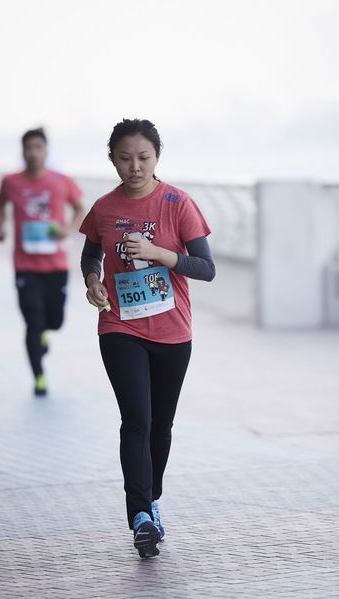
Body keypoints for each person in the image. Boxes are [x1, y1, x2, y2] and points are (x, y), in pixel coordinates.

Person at [80, 118, 215, 558]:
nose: (134, 167)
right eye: (125, 158)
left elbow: (206, 268)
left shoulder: (178, 203)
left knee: (160, 425)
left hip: (173, 331)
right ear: (112, 160)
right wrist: (92, 280)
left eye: (143, 157)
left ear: (157, 157)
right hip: (120, 326)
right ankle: (140, 515)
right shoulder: (104, 208)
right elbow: (90, 254)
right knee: (136, 419)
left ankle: (152, 497)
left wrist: (160, 254)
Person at [0, 127, 84, 396]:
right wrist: (1, 228)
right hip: (25, 266)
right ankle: (39, 377)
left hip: (56, 265)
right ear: (22, 152)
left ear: (46, 151)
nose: (33, 153)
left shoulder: (62, 181)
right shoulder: (11, 181)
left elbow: (80, 208)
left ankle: (46, 331)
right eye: (28, 148)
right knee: (33, 321)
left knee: (54, 322)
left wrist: (68, 229)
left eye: (38, 148)